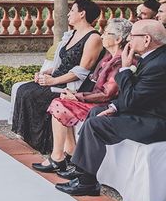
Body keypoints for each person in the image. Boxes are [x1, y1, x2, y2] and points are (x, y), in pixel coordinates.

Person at [55, 19, 166, 196]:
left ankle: (88, 183)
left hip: (156, 122)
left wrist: (125, 68)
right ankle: (81, 170)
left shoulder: (159, 64)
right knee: (96, 112)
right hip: (144, 111)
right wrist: (114, 106)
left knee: (95, 125)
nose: (128, 39)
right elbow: (138, 96)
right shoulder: (152, 58)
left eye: (132, 36)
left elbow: (132, 99)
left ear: (146, 39)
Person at [32, 18, 132, 173]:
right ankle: (69, 152)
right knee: (61, 101)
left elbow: (107, 94)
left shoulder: (120, 62)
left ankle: (59, 157)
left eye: (106, 32)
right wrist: (74, 94)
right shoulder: (107, 57)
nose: (102, 35)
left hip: (107, 105)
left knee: (59, 104)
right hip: (96, 99)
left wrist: (77, 96)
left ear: (118, 39)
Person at [11, 0, 103, 154]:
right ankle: (37, 141)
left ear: (82, 13)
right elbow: (63, 62)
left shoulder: (93, 38)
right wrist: (47, 72)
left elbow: (82, 71)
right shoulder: (72, 34)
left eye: (72, 10)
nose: (68, 14)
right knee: (23, 89)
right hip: (59, 78)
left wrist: (53, 81)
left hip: (74, 84)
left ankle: (49, 145)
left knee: (34, 94)